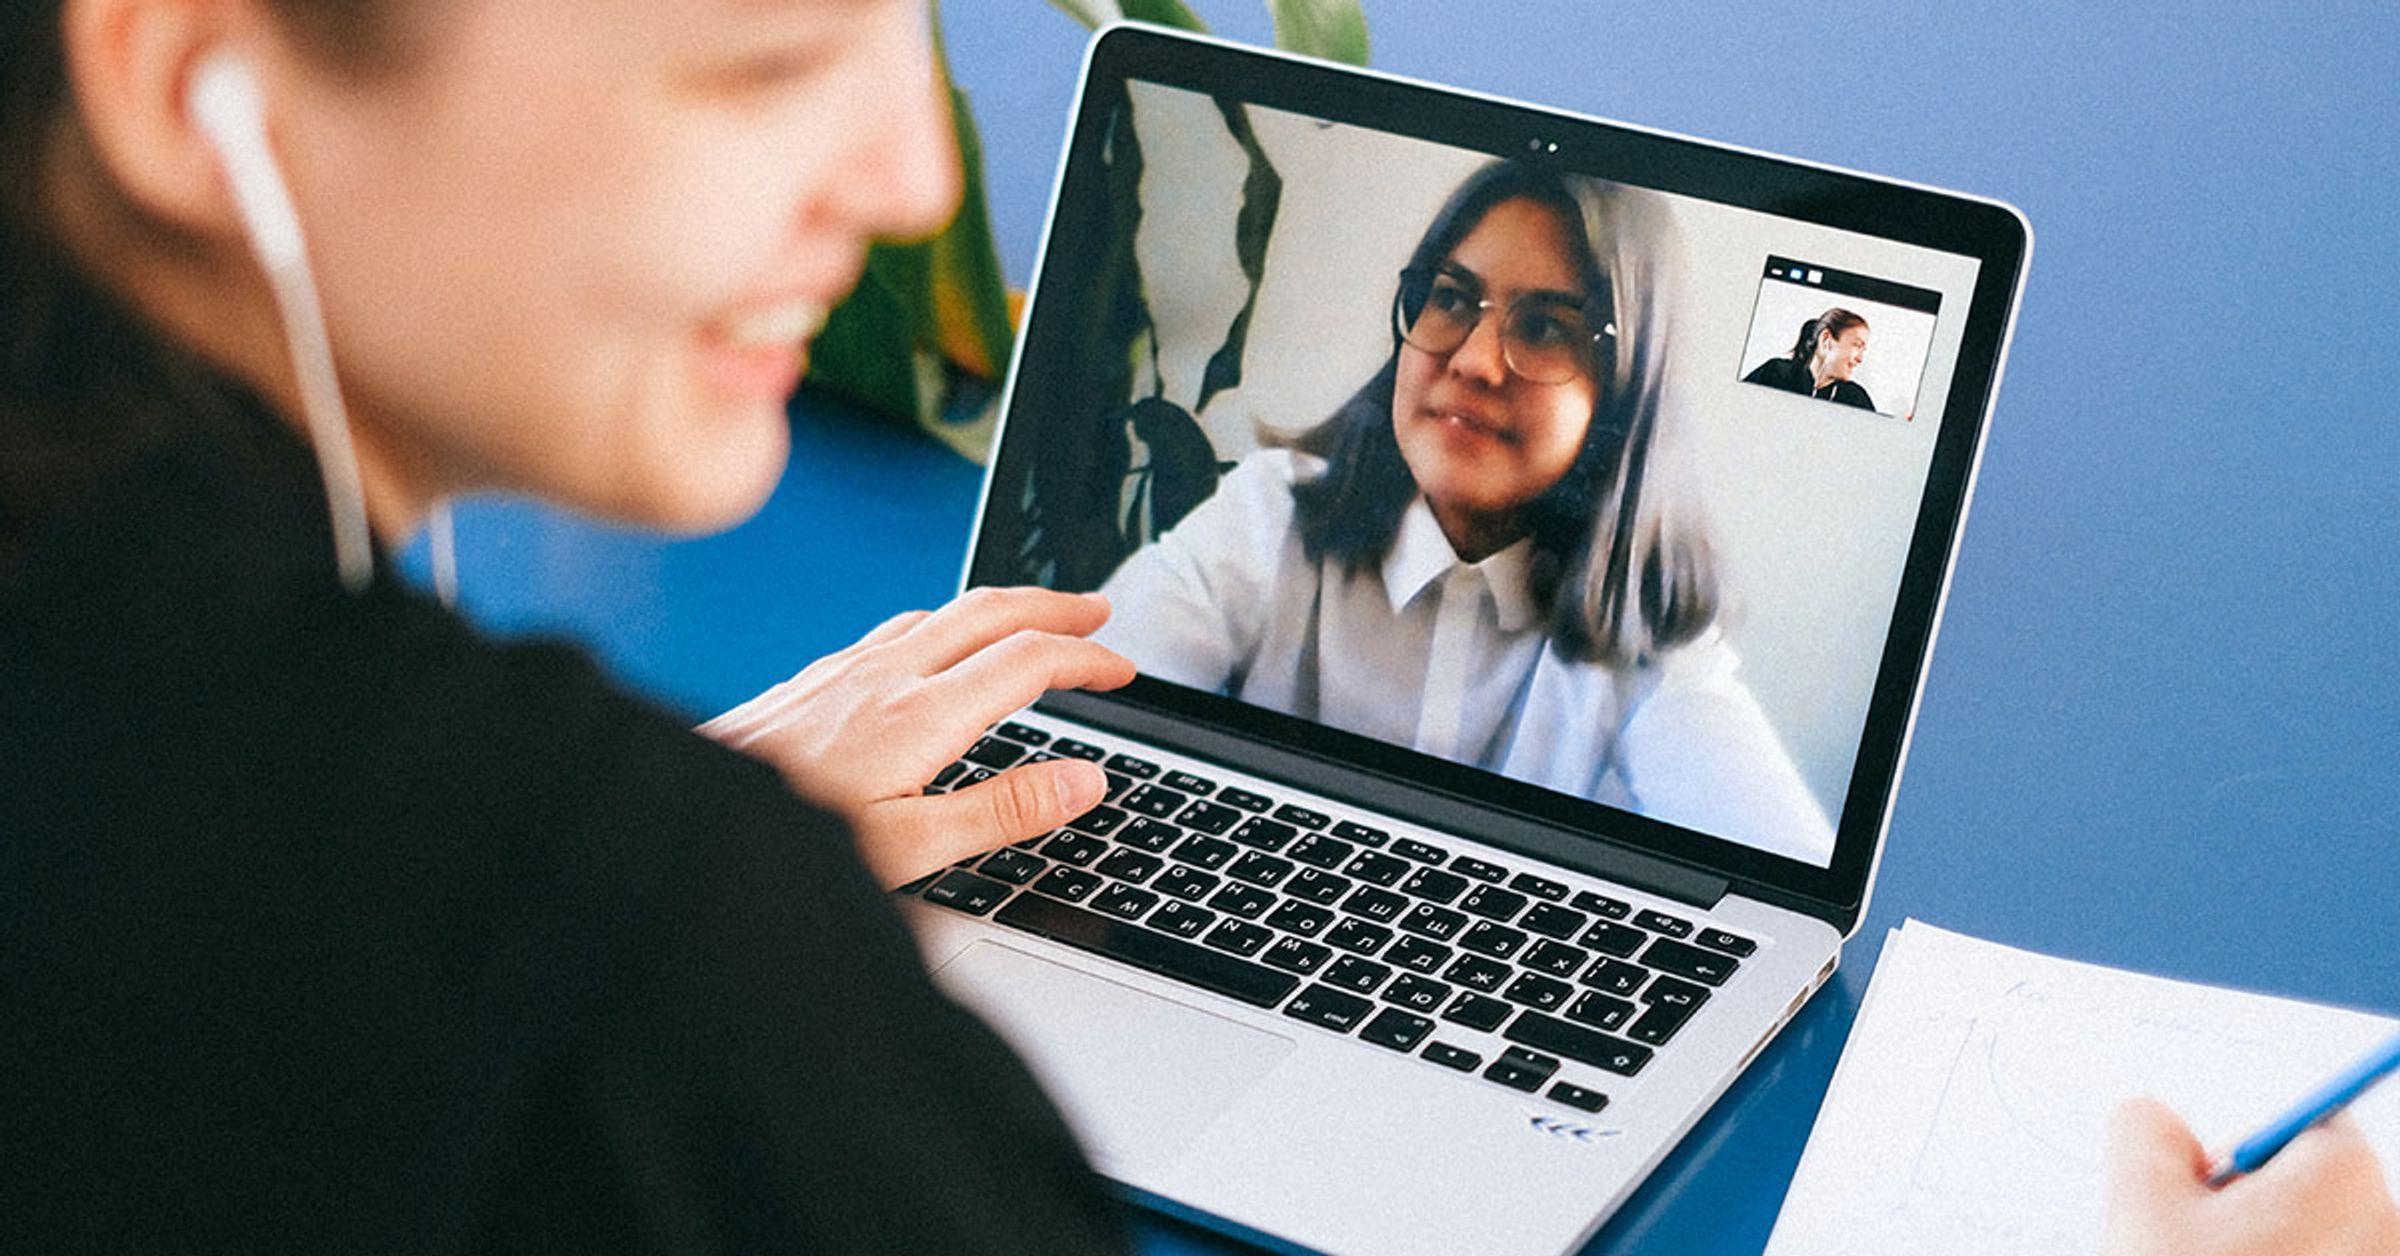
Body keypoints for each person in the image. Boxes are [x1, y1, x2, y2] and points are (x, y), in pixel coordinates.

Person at [0, 1, 2390, 1253]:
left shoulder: (1654, 676)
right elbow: (1113, 653)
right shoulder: (644, 985)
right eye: (750, 59)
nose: (916, 176)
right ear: (182, 76)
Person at [1098, 161, 1836, 863]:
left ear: (1623, 388)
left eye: (1545, 325)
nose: (1475, 362)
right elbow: (1074, 705)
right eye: (1451, 298)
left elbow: (1781, 882)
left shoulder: (1649, 634)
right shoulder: (1271, 515)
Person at [1743, 306, 1876, 409]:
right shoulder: (1775, 373)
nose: (1860, 359)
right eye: (1857, 346)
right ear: (1826, 340)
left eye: (1863, 350)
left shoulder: (1856, 398)